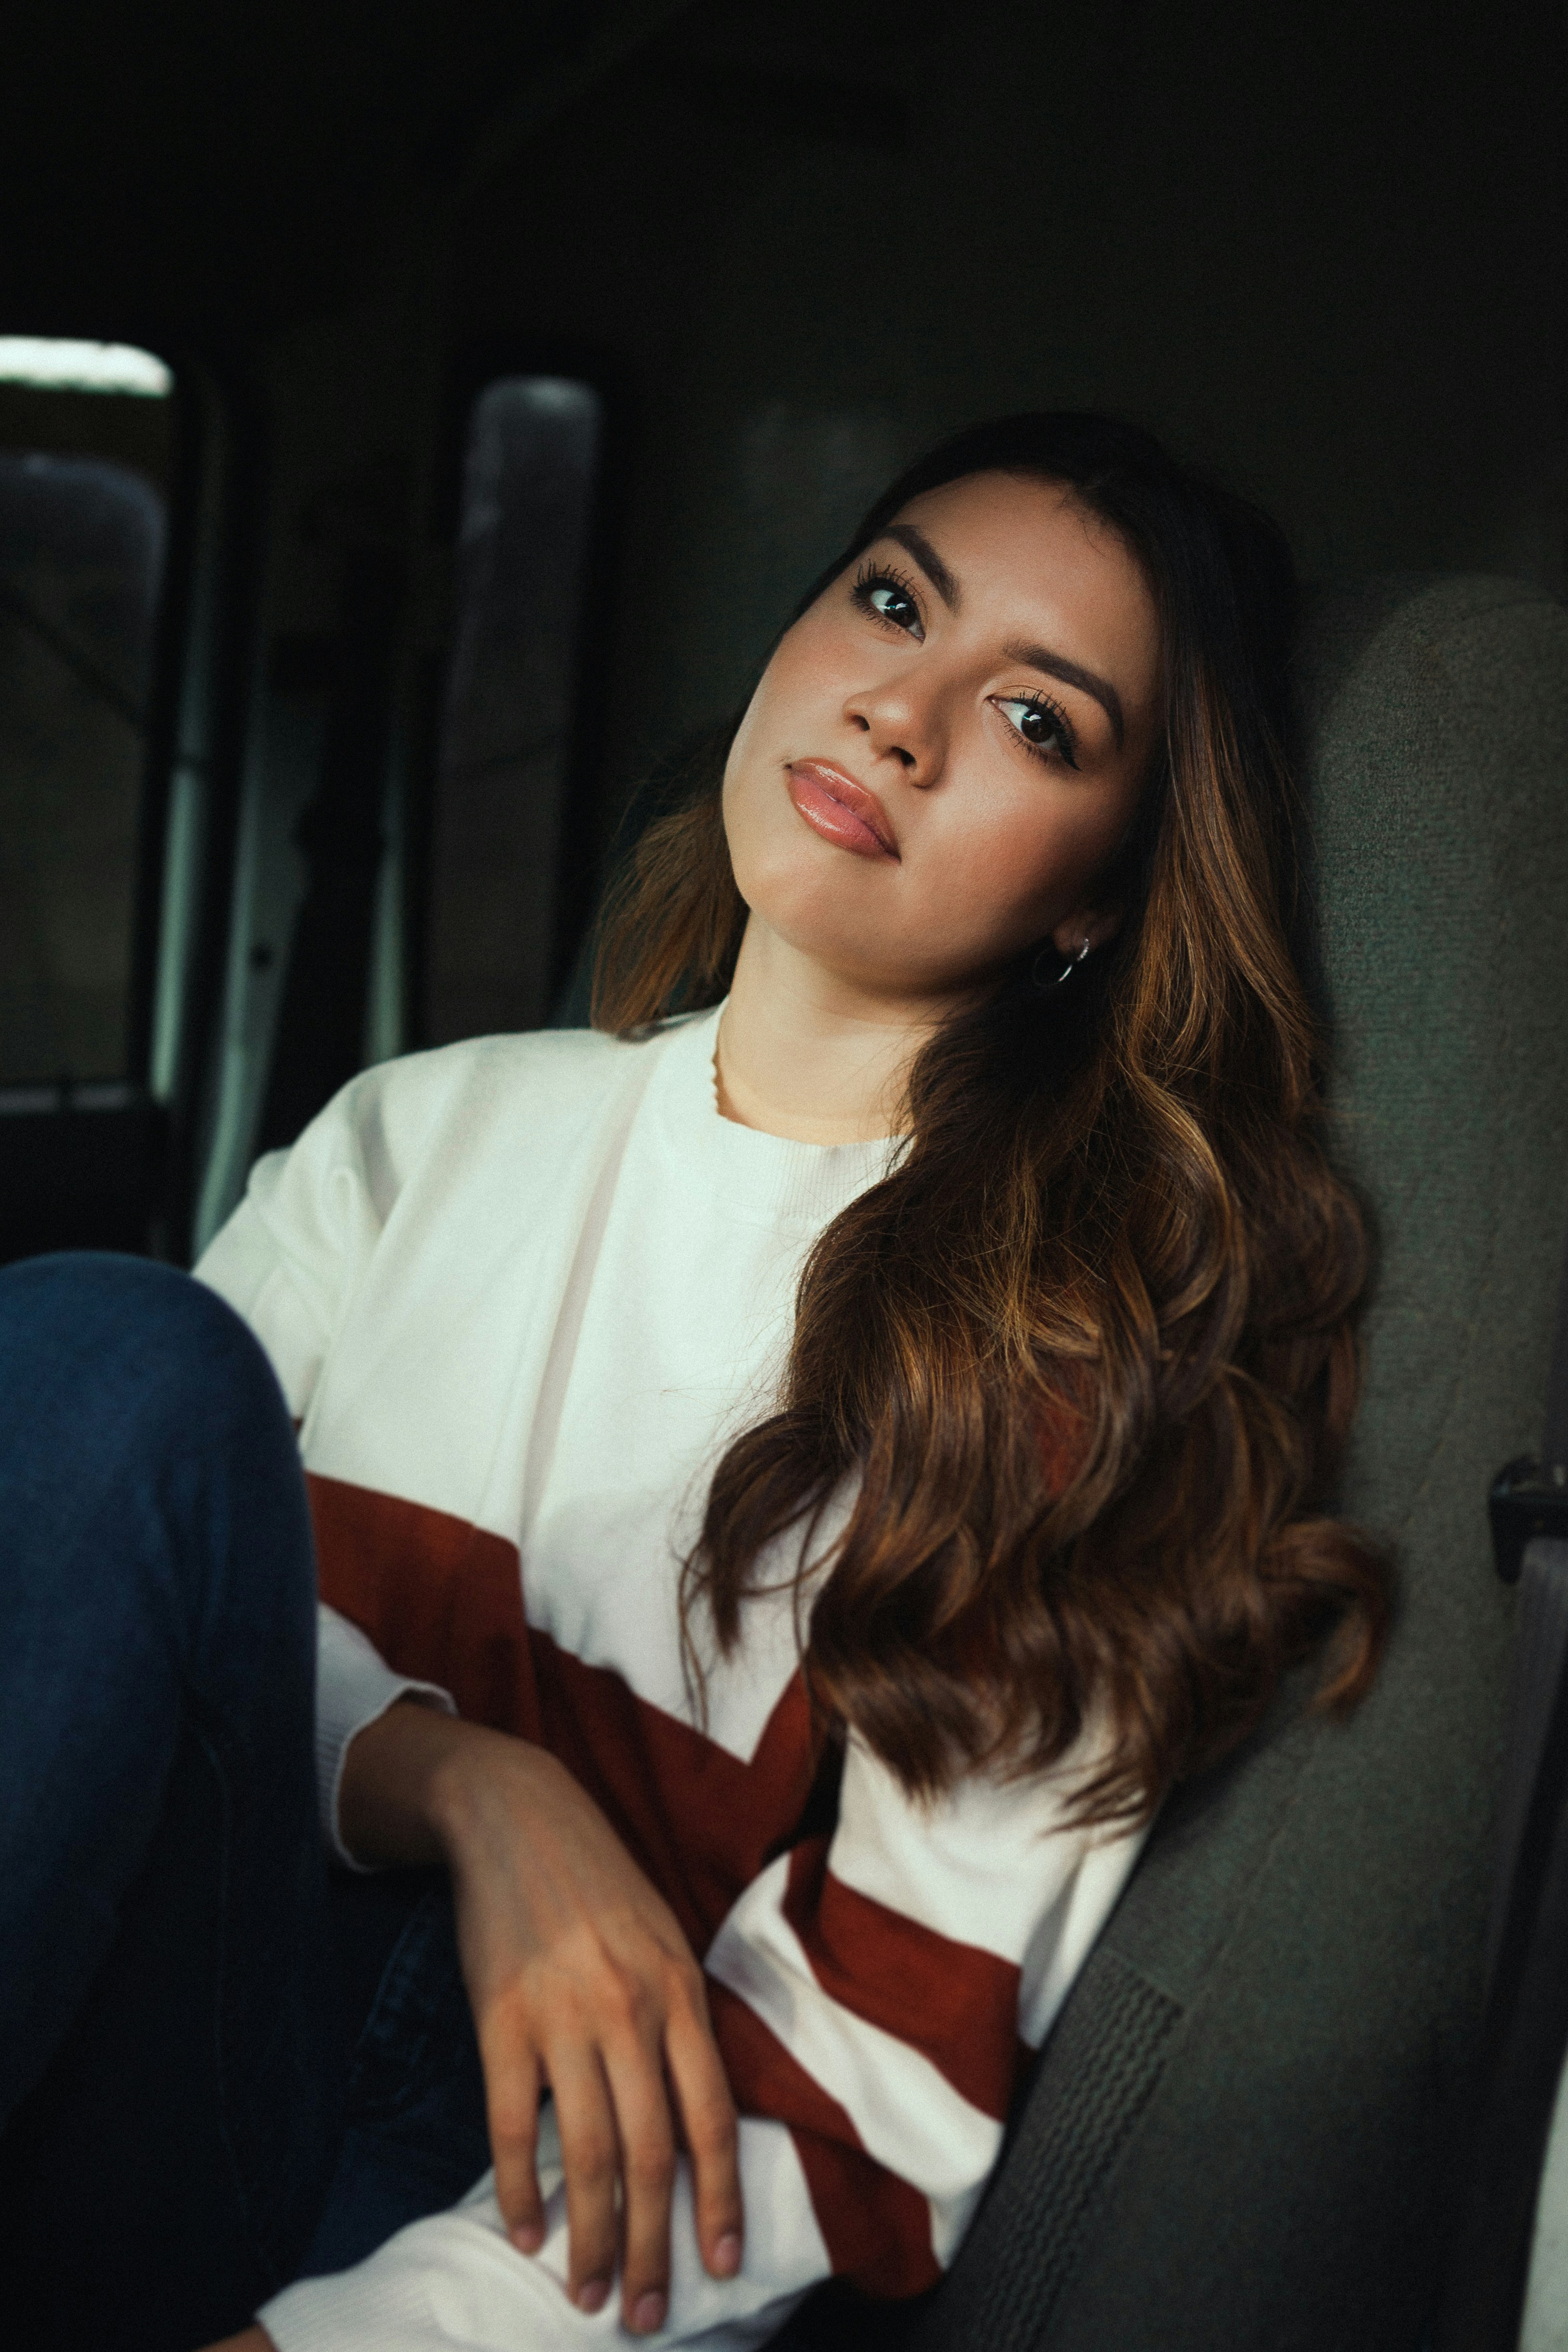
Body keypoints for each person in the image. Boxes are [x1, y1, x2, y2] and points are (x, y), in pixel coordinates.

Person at [0, 413, 1391, 2352]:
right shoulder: (415, 1130)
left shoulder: (1052, 1378)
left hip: (471, 2205)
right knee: (95, 1360)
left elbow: (851, 2094)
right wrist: (471, 1786)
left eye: (1038, 721)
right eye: (892, 601)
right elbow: (106, 1648)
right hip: (117, 2028)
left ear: (1101, 896)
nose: (903, 713)